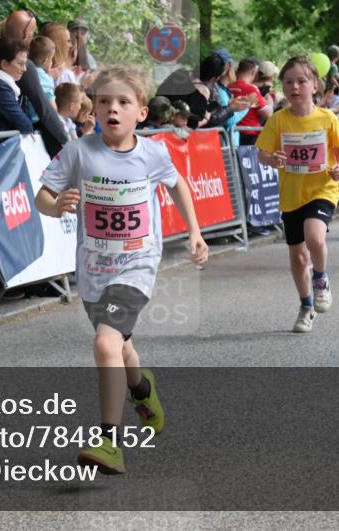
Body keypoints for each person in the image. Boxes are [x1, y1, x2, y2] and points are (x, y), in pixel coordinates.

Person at [36, 66, 208, 474]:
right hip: (93, 269)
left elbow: (177, 184)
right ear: (93, 109)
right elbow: (42, 194)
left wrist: (195, 232)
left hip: (137, 264)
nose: (112, 109)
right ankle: (141, 388)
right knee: (118, 343)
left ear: (141, 113)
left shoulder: (152, 153)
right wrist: (55, 206)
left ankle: (109, 441)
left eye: (123, 102)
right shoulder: (78, 151)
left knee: (104, 343)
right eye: (104, 101)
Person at [256, 56, 339, 334]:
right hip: (292, 194)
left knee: (315, 236)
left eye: (301, 81)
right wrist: (272, 159)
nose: (294, 87)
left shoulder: (327, 118)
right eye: (288, 82)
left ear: (315, 86)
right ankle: (306, 306)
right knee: (298, 258)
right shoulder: (278, 121)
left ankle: (320, 277)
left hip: (322, 188)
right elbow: (261, 154)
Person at [0, 10, 69, 157]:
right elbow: (44, 109)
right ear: (25, 35)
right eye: (32, 33)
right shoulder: (24, 65)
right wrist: (65, 139)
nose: (23, 69)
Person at [227, 58, 272, 145]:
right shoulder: (252, 89)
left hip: (233, 133)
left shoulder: (228, 86)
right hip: (250, 133)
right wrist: (270, 102)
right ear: (253, 72)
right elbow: (268, 114)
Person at [28, 36, 58, 122]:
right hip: (38, 121)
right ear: (45, 61)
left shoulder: (24, 70)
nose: (52, 61)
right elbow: (53, 109)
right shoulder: (47, 79)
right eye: (51, 58)